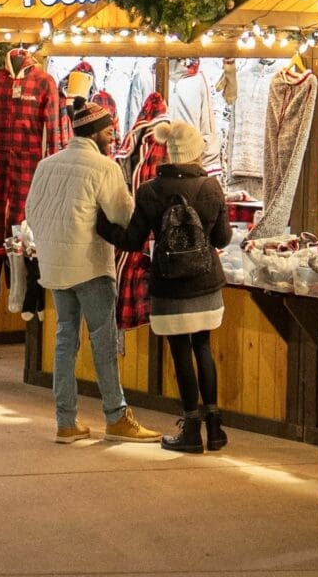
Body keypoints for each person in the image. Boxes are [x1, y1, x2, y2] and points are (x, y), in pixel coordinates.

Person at [25, 97, 162, 445]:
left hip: (56, 265)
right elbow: (122, 216)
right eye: (110, 132)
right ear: (96, 134)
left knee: (64, 341)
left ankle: (65, 421)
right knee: (103, 342)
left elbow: (31, 212)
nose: (113, 137)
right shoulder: (104, 168)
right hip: (90, 265)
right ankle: (116, 416)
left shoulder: (46, 165)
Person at [97, 120, 232, 454]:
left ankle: (190, 428)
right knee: (203, 346)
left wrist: (102, 226)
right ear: (196, 152)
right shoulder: (212, 187)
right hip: (206, 282)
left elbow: (131, 240)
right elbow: (223, 238)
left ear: (169, 151)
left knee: (180, 350)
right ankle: (215, 428)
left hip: (170, 284)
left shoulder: (151, 190)